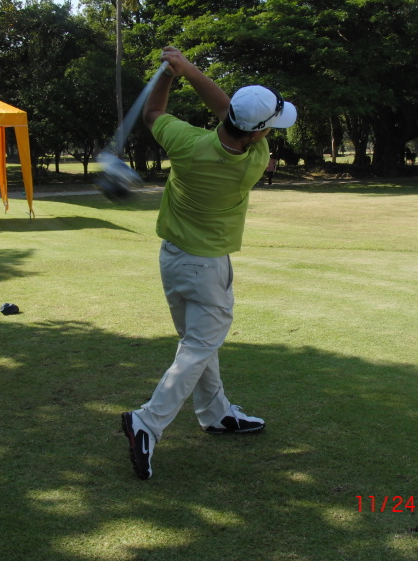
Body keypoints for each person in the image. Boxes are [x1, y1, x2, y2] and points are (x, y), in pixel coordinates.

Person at [121, 46, 297, 480]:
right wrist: (189, 70)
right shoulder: (254, 160)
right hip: (208, 268)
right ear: (257, 133)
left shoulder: (185, 143)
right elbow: (227, 112)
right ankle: (148, 421)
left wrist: (172, 72)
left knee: (199, 342)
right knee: (199, 346)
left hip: (172, 260)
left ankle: (216, 413)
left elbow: (154, 113)